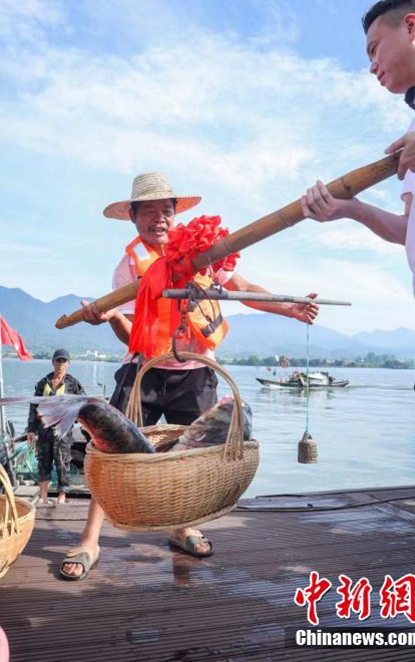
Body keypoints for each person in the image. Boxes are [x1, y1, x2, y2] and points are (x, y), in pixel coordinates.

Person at [300, 0, 415, 662]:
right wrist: (347, 211)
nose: (370, 63)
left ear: (412, 26)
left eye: (374, 48)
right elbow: (410, 228)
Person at [60, 171, 319, 579]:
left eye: (166, 211)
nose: (160, 219)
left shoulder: (203, 253)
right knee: (109, 453)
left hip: (196, 369)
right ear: (133, 217)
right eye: (150, 212)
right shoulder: (128, 268)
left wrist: (288, 307)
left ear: (175, 215)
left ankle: (181, 527)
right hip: (143, 369)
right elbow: (129, 331)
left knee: (194, 452)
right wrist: (107, 317)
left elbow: (244, 286)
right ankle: (90, 539)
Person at [27, 349, 85, 505]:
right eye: (58, 361)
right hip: (44, 430)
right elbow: (33, 407)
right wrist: (31, 430)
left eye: (64, 361)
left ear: (68, 364)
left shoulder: (73, 384)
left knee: (62, 462)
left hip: (62, 430)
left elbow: (83, 404)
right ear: (53, 362)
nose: (61, 364)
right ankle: (43, 496)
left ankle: (62, 495)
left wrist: (74, 417)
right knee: (43, 461)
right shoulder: (42, 383)